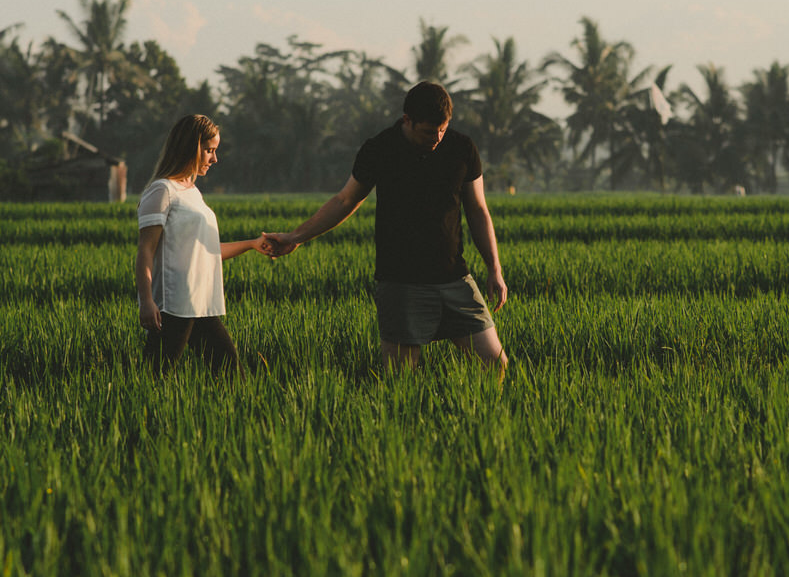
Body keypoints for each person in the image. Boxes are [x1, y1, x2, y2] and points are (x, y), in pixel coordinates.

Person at [263, 81, 509, 372]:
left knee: (496, 364)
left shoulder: (461, 148)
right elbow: (345, 201)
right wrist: (296, 237)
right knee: (401, 380)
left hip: (454, 277)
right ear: (408, 120)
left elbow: (478, 210)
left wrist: (494, 268)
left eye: (443, 129)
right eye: (429, 131)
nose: (438, 138)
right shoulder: (380, 148)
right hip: (401, 282)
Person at [135, 114, 270, 375]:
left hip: (200, 303)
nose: (214, 158)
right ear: (190, 147)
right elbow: (146, 250)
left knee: (231, 374)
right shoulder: (162, 191)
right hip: (173, 306)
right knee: (155, 379)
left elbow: (205, 254)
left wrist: (252, 244)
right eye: (209, 150)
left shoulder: (193, 192)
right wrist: (146, 301)